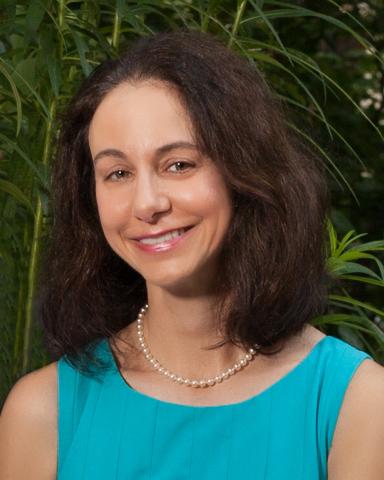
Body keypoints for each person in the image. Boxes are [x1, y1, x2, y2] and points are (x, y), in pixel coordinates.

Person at [0, 29, 383, 480]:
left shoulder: (358, 404)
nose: (147, 203)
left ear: (244, 172)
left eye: (178, 164)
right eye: (117, 173)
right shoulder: (41, 412)